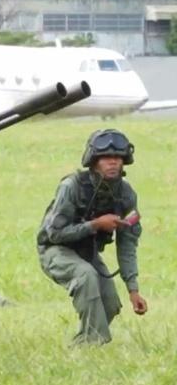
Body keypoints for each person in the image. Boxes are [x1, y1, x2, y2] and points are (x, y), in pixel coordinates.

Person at [36, 128, 147, 345]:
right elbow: (54, 233)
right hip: (55, 250)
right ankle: (92, 342)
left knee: (110, 303)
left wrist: (133, 290)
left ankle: (82, 346)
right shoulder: (72, 187)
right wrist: (94, 225)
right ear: (94, 161)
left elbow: (127, 244)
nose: (113, 162)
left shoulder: (126, 195)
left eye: (117, 157)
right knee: (86, 276)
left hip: (87, 253)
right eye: (106, 157)